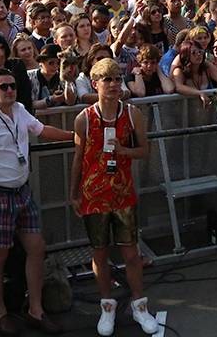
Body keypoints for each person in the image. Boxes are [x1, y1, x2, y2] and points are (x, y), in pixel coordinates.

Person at [0, 69, 72, 335]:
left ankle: (36, 310)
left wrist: (73, 136)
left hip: (22, 191)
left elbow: (41, 130)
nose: (10, 90)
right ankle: (0, 312)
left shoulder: (20, 109)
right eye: (4, 87)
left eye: (12, 85)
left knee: (36, 247)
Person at [70, 59, 160, 336]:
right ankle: (107, 306)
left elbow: (144, 150)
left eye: (117, 79)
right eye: (107, 80)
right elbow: (78, 158)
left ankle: (139, 305)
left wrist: (123, 150)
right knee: (99, 253)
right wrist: (73, 193)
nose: (113, 85)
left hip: (122, 194)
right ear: (94, 83)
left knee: (131, 252)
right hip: (93, 195)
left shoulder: (132, 114)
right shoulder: (84, 118)